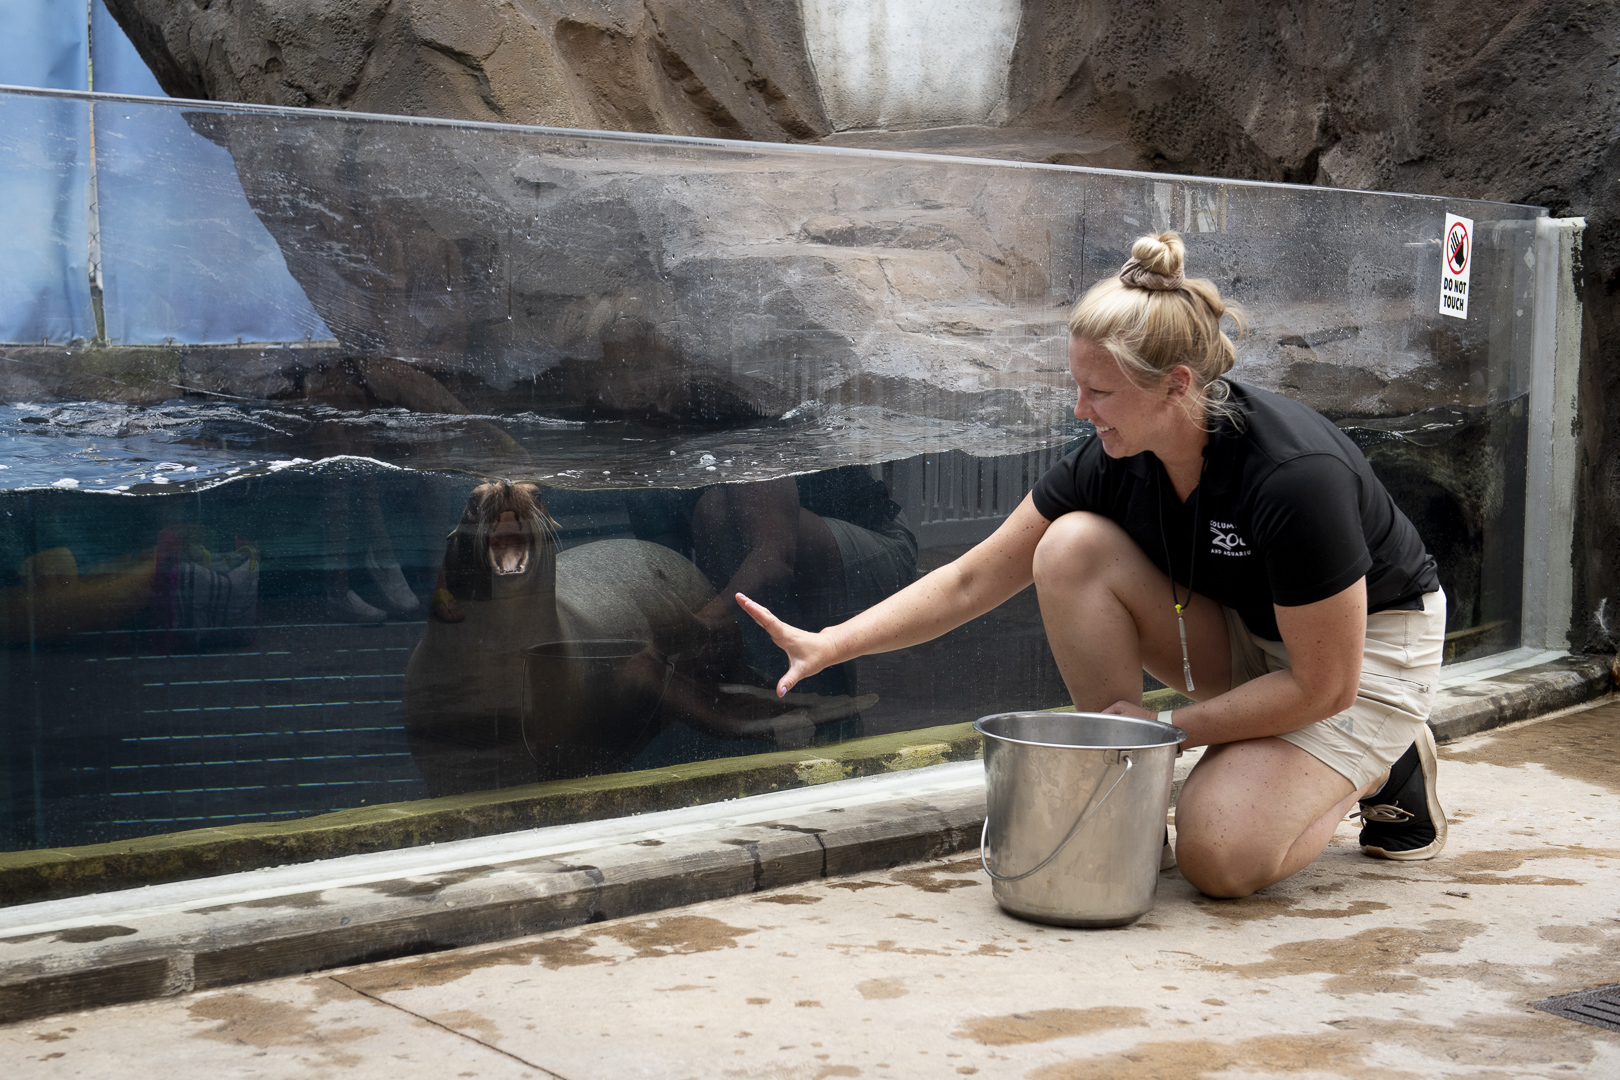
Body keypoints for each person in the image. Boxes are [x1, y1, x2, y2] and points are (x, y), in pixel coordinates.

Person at [738, 231, 1448, 900]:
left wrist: (1162, 730)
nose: (1080, 411)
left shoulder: (1295, 474)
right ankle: (1127, 794)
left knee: (1221, 858)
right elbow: (971, 578)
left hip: (1359, 666)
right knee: (1070, 544)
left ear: (1175, 385)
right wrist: (833, 642)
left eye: (1100, 393)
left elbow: (1325, 683)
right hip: (1251, 639)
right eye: (1078, 387)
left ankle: (1383, 763)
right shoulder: (1116, 457)